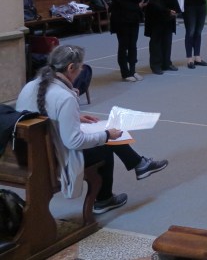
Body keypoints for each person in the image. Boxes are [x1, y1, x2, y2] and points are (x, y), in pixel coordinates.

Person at [16, 45, 168, 215]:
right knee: (105, 143)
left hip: (28, 153)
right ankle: (105, 198)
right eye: (80, 67)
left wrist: (76, 117)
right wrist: (106, 135)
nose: (82, 70)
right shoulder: (64, 97)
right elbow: (74, 142)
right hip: (54, 159)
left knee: (103, 135)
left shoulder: (31, 86)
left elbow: (39, 115)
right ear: (71, 68)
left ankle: (139, 164)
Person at [108, 0, 146, 82]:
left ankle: (133, 70)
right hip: (121, 19)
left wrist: (142, 1)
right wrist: (136, 5)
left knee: (133, 45)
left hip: (133, 18)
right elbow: (120, 0)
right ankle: (125, 72)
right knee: (123, 45)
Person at [143, 0, 179, 75]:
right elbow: (152, 3)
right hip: (156, 19)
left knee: (167, 41)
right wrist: (167, 11)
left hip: (168, 18)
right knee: (156, 42)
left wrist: (176, 9)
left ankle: (166, 63)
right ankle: (156, 65)